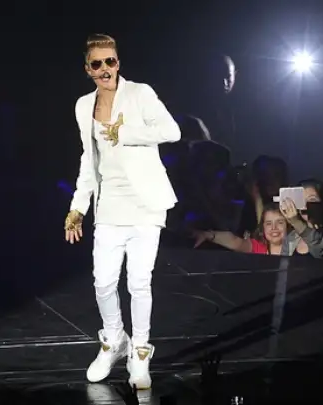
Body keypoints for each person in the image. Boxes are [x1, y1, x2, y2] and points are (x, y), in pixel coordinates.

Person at [63, 34, 181, 389]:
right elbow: (88, 160)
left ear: (118, 64)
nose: (105, 69)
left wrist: (125, 132)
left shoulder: (140, 93)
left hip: (145, 204)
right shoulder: (83, 106)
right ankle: (115, 339)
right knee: (103, 281)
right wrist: (78, 207)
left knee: (139, 282)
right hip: (110, 204)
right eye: (97, 64)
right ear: (88, 69)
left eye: (110, 61)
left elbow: (172, 131)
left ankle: (140, 351)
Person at [192, 203, 288, 255]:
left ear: (288, 224)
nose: (274, 228)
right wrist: (208, 235)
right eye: (268, 223)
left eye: (280, 222)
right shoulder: (259, 247)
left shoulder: (295, 247)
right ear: (263, 227)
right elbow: (235, 242)